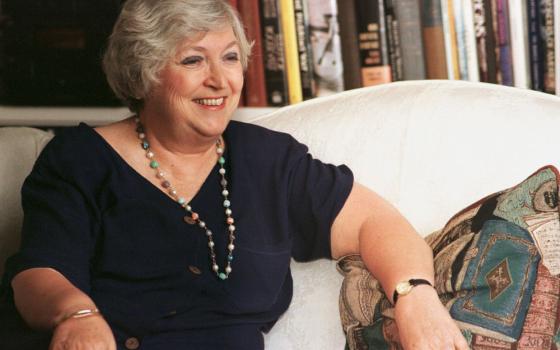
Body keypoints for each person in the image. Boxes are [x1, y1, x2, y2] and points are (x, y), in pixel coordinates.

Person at [1, 0, 469, 349]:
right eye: (192, 60)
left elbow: (375, 222)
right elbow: (39, 272)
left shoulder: (267, 161)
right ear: (143, 73)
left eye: (229, 57)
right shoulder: (80, 160)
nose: (220, 80)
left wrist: (414, 295)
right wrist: (75, 314)